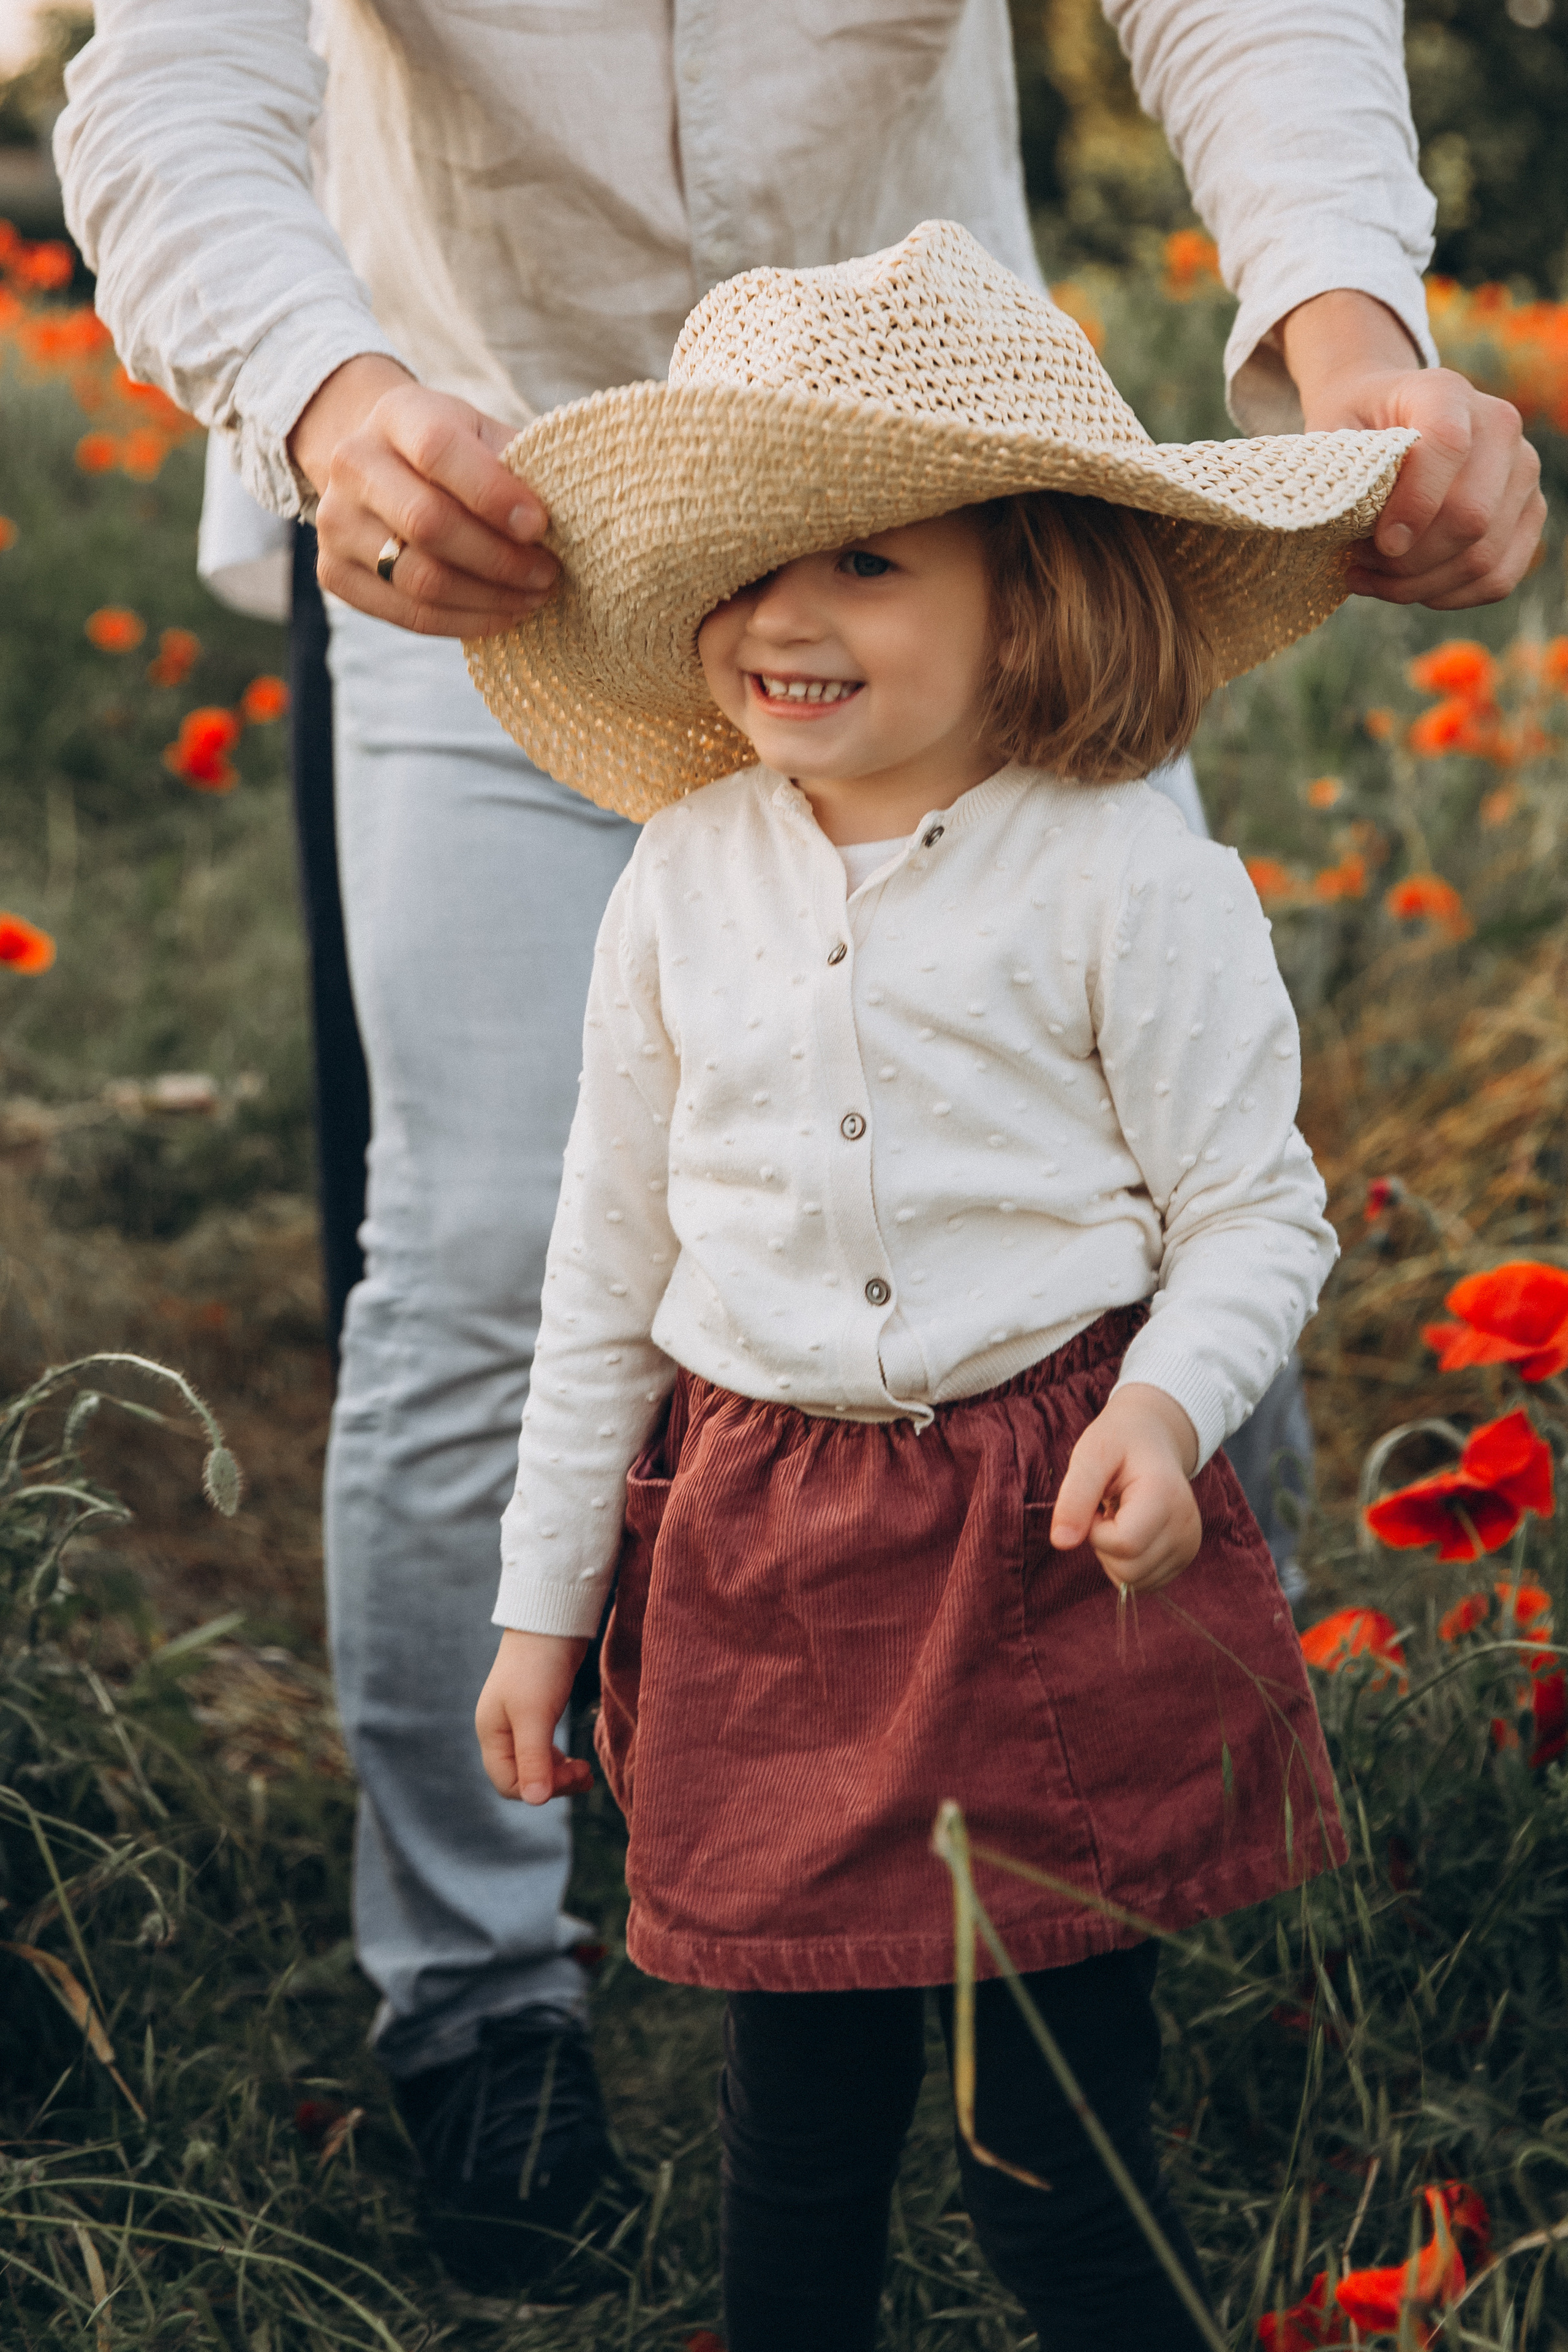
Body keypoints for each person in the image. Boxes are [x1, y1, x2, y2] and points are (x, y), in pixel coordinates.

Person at [55, 0, 1545, 2293]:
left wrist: (1347, 330)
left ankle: (1169, 1880)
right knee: (478, 1255)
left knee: (1143, 1215)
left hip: (981, 537)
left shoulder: (1078, 761)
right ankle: (482, 2001)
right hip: (499, 516)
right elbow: (168, 80)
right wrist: (340, 409)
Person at [472, 220, 1396, 2350]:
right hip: (762, 1559)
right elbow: (606, 1260)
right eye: (752, 569)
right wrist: (543, 1608)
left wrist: (1163, 1411)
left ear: (1035, 581)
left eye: (871, 560)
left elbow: (1255, 1209)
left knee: (1054, 2159)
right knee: (796, 2142)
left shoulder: (1125, 878)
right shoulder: (685, 878)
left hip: (1041, 1552)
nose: (787, 618)